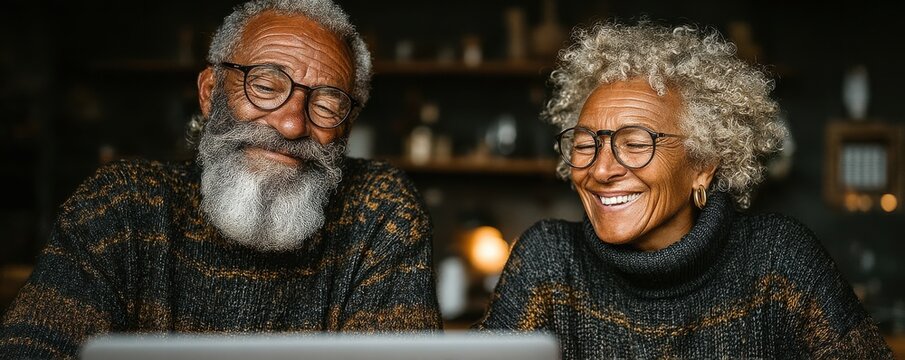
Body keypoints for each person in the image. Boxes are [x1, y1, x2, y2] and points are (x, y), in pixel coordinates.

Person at [0, 0, 442, 358]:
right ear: (211, 93)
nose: (291, 126)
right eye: (266, 86)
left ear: (345, 127)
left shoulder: (379, 212)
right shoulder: (122, 206)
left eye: (326, 105)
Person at [477, 20, 893, 359]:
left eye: (635, 145)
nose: (600, 170)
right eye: (585, 146)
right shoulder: (548, 260)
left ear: (703, 166)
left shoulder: (780, 260)